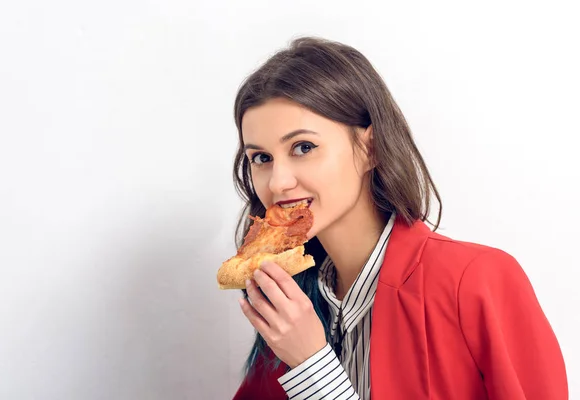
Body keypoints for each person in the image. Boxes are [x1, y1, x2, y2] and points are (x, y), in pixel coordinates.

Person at [228, 36, 568, 400]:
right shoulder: (291, 302)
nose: (278, 182)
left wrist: (312, 365)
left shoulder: (476, 281)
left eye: (304, 148)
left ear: (370, 147)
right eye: (261, 158)